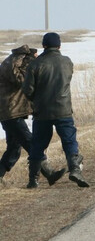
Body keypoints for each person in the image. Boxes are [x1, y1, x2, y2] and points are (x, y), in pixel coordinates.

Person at [22, 32, 89, 188]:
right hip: (63, 109)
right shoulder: (67, 62)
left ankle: (33, 180)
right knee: (69, 140)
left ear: (44, 45)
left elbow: (27, 90)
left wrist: (36, 100)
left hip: (42, 111)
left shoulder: (35, 64)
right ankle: (75, 170)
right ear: (59, 45)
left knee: (38, 144)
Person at [0, 44, 65, 186]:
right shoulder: (13, 63)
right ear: (27, 56)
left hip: (9, 112)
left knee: (13, 149)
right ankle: (49, 173)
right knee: (31, 144)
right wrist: (31, 65)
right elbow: (23, 82)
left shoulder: (12, 61)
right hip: (11, 112)